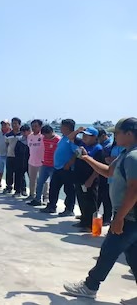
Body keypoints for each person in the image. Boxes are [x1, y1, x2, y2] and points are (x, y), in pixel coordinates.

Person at [63, 118, 137, 302]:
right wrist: (86, 157)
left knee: (108, 252)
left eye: (117, 133)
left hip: (129, 216)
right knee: (133, 255)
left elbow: (134, 189)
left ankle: (90, 286)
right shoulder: (125, 154)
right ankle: (90, 286)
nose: (114, 136)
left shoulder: (133, 157)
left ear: (129, 134)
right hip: (128, 216)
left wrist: (119, 218)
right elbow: (108, 172)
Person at [68, 126, 105, 232]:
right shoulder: (81, 144)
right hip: (79, 177)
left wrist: (91, 179)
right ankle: (84, 221)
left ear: (94, 137)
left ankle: (92, 226)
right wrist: (78, 131)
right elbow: (70, 137)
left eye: (87, 136)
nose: (84, 137)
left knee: (91, 202)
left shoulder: (98, 149)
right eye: (83, 135)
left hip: (90, 179)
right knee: (81, 199)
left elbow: (98, 167)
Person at [41, 119, 78, 215]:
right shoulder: (63, 138)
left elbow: (77, 152)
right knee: (53, 188)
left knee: (69, 190)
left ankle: (69, 209)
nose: (60, 128)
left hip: (66, 168)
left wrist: (69, 163)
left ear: (67, 128)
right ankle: (52, 206)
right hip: (57, 168)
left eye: (62, 126)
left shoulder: (72, 139)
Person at [28, 125, 60, 206]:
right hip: (44, 164)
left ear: (51, 132)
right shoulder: (44, 138)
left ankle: (50, 201)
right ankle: (37, 199)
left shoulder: (58, 140)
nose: (45, 137)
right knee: (40, 182)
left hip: (53, 166)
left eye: (46, 135)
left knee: (53, 185)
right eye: (44, 135)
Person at [98, 127, 114, 226]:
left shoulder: (108, 146)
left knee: (106, 198)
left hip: (107, 174)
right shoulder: (103, 145)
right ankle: (94, 215)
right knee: (99, 196)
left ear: (103, 136)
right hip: (102, 173)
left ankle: (107, 218)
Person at [26, 120, 45, 201]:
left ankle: (45, 197)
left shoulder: (43, 136)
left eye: (36, 126)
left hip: (42, 162)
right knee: (32, 179)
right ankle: (31, 194)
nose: (34, 128)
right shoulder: (29, 136)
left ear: (40, 127)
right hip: (31, 161)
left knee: (43, 180)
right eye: (32, 126)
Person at [3, 118, 22, 194]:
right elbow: (7, 144)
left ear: (19, 125)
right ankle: (9, 187)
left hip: (19, 157)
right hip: (10, 156)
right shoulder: (8, 135)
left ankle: (20, 189)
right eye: (13, 123)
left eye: (16, 123)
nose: (14, 125)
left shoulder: (22, 134)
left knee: (19, 174)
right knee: (9, 172)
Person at [13, 124, 31, 197]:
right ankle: (18, 191)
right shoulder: (20, 140)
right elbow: (16, 150)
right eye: (22, 131)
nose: (24, 133)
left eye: (25, 131)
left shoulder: (32, 140)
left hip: (30, 161)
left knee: (32, 178)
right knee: (18, 176)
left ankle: (28, 192)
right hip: (19, 161)